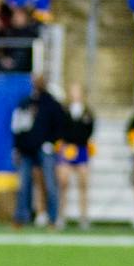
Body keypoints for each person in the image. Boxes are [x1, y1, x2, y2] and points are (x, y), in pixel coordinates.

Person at [9, 78, 63, 228]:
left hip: (45, 149)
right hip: (26, 149)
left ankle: (53, 218)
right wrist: (17, 147)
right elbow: (17, 126)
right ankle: (21, 217)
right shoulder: (25, 102)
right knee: (23, 185)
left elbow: (60, 126)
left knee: (50, 184)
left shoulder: (52, 104)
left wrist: (51, 142)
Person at [56, 85, 92, 229]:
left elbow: (89, 130)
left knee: (83, 184)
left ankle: (84, 217)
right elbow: (61, 129)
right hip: (68, 149)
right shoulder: (64, 111)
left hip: (81, 149)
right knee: (63, 184)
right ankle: (61, 216)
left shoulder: (87, 112)